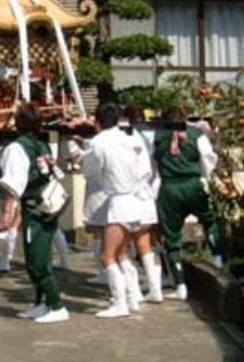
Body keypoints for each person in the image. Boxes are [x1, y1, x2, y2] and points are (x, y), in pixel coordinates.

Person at [0, 103, 70, 323]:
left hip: (34, 206)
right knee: (41, 254)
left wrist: (7, 212)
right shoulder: (42, 144)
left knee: (36, 260)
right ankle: (41, 302)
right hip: (49, 204)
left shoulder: (17, 148)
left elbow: (14, 184)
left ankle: (57, 304)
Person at [82, 103, 153, 318]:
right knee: (121, 252)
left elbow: (90, 171)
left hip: (118, 201)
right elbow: (145, 169)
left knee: (107, 256)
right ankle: (133, 297)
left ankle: (120, 302)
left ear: (97, 121)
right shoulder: (130, 138)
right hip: (137, 199)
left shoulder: (98, 142)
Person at [153, 106, 222, 301]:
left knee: (172, 237)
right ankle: (217, 258)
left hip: (169, 187)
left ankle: (180, 284)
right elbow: (208, 158)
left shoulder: (157, 136)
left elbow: (151, 163)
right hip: (192, 183)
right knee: (208, 219)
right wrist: (204, 176)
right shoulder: (196, 134)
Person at [118, 105, 164, 306]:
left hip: (127, 196)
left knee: (121, 244)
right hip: (146, 194)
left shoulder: (119, 140)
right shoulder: (147, 137)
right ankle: (155, 289)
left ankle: (134, 290)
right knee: (145, 243)